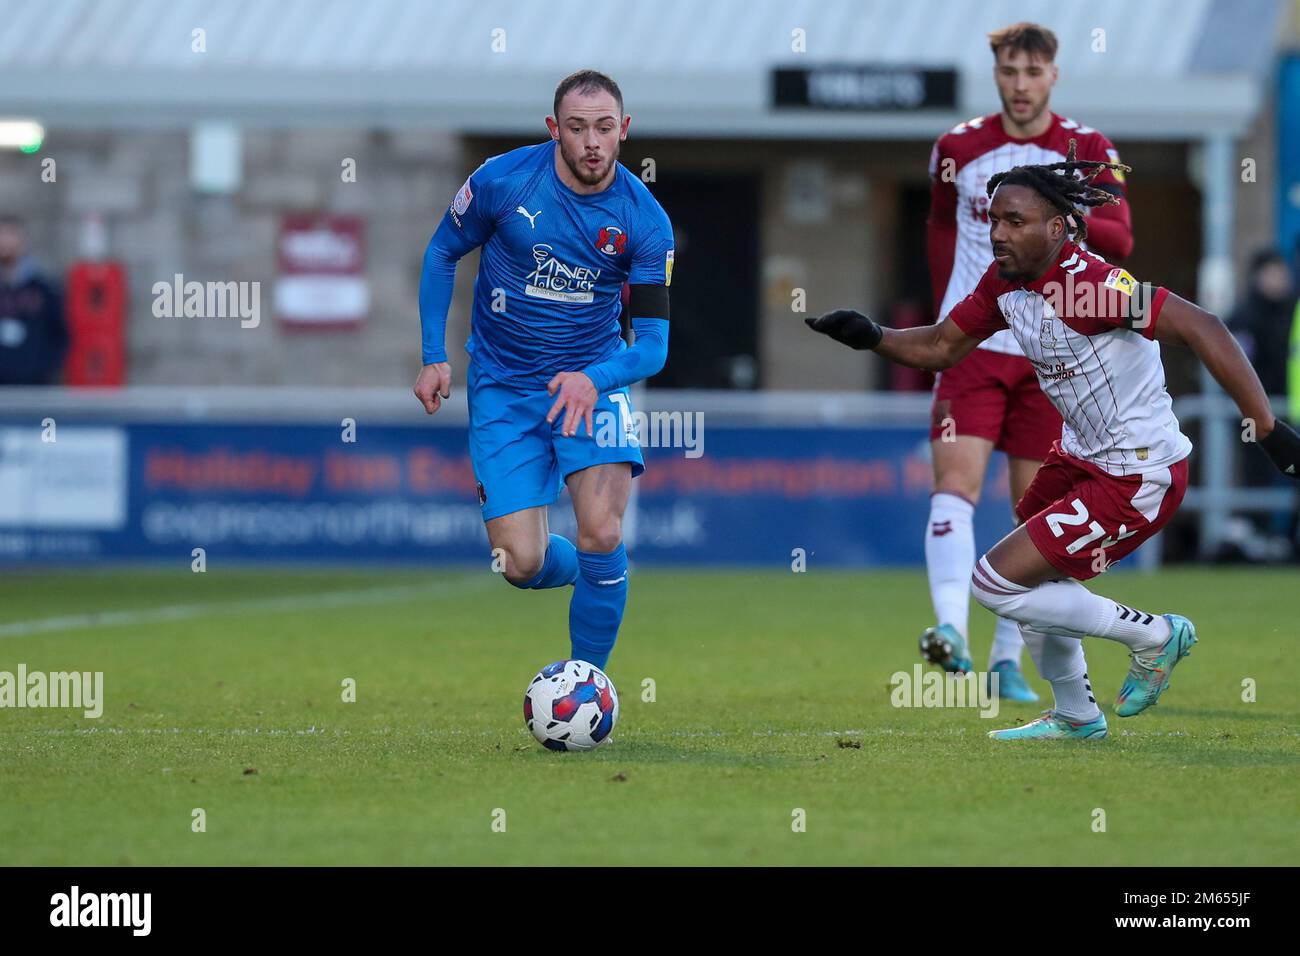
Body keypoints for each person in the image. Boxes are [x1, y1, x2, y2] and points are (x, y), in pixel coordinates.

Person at [807, 147, 1300, 740]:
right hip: (1080, 459)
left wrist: (1266, 427)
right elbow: (941, 347)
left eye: (1014, 221)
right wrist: (872, 336)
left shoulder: (1091, 284)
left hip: (1137, 475)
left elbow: (1203, 326)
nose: (997, 233)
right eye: (993, 219)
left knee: (994, 582)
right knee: (1031, 580)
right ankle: (1076, 715)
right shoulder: (1004, 284)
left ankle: (1157, 636)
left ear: (1059, 227)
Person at [413, 70, 674, 675]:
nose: (591, 142)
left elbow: (654, 347)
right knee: (520, 562)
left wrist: (597, 379)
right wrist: (433, 354)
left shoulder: (644, 220)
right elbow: (441, 253)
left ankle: (589, 684)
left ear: (624, 131)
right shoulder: (502, 182)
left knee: (603, 531)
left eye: (604, 128)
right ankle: (601, 580)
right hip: (503, 387)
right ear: (554, 128)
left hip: (591, 389)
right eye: (577, 127)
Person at [923, 23, 1133, 701]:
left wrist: (1063, 207)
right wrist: (944, 317)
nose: (1020, 85)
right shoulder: (957, 146)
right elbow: (938, 227)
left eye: (1032, 72)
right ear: (996, 74)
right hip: (977, 347)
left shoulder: (1091, 148)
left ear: (1054, 76)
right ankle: (949, 629)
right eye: (1010, 71)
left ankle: (1007, 661)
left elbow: (1122, 238)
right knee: (955, 483)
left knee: (1031, 512)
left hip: (1053, 352)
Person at [0, 215, 67, 385]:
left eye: (10, 234)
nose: (5, 241)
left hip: (33, 386)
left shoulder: (44, 288)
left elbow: (59, 332)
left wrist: (42, 368)